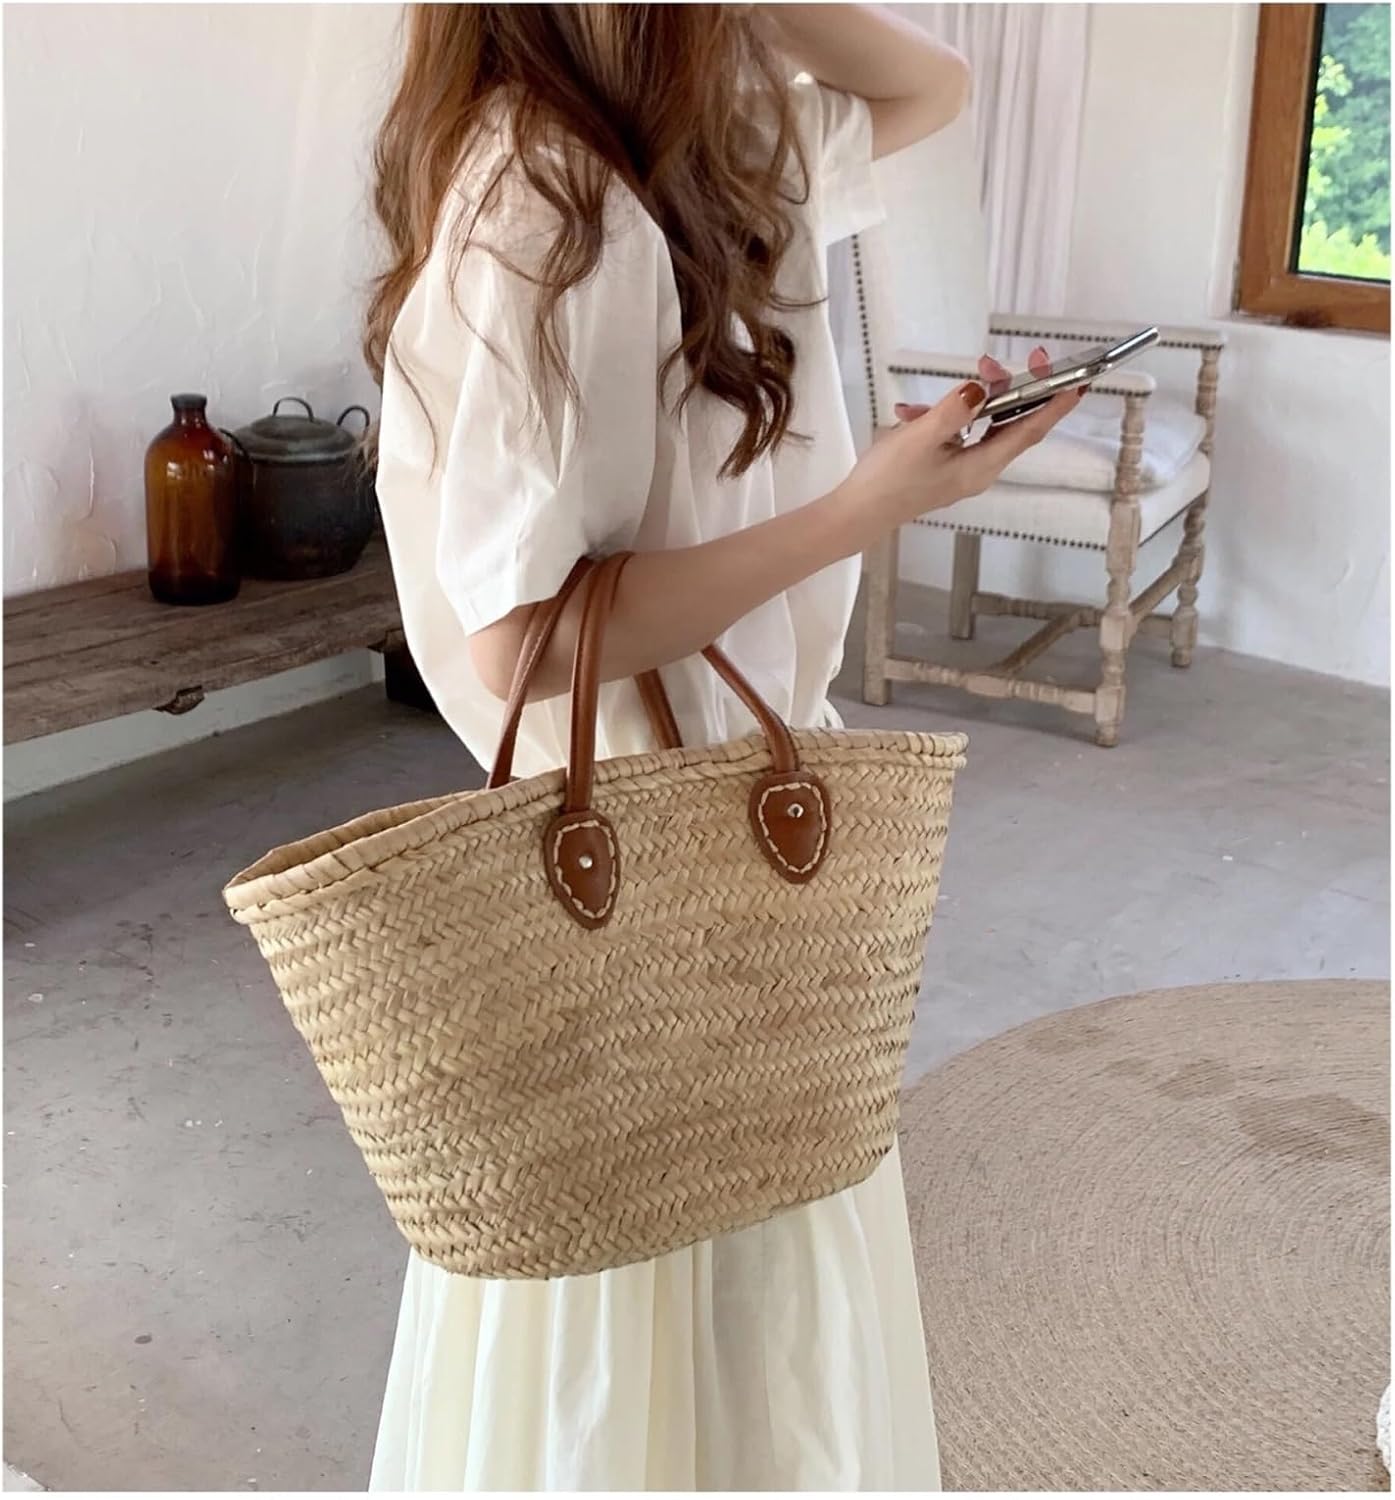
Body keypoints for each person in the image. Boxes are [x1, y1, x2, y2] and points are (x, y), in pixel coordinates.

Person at [364, 4, 1079, 1490]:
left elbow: (933, 85)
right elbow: (519, 641)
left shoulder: (715, 140)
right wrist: (867, 508)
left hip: (730, 814)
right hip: (645, 844)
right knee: (657, 1326)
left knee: (753, 1308)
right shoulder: (546, 193)